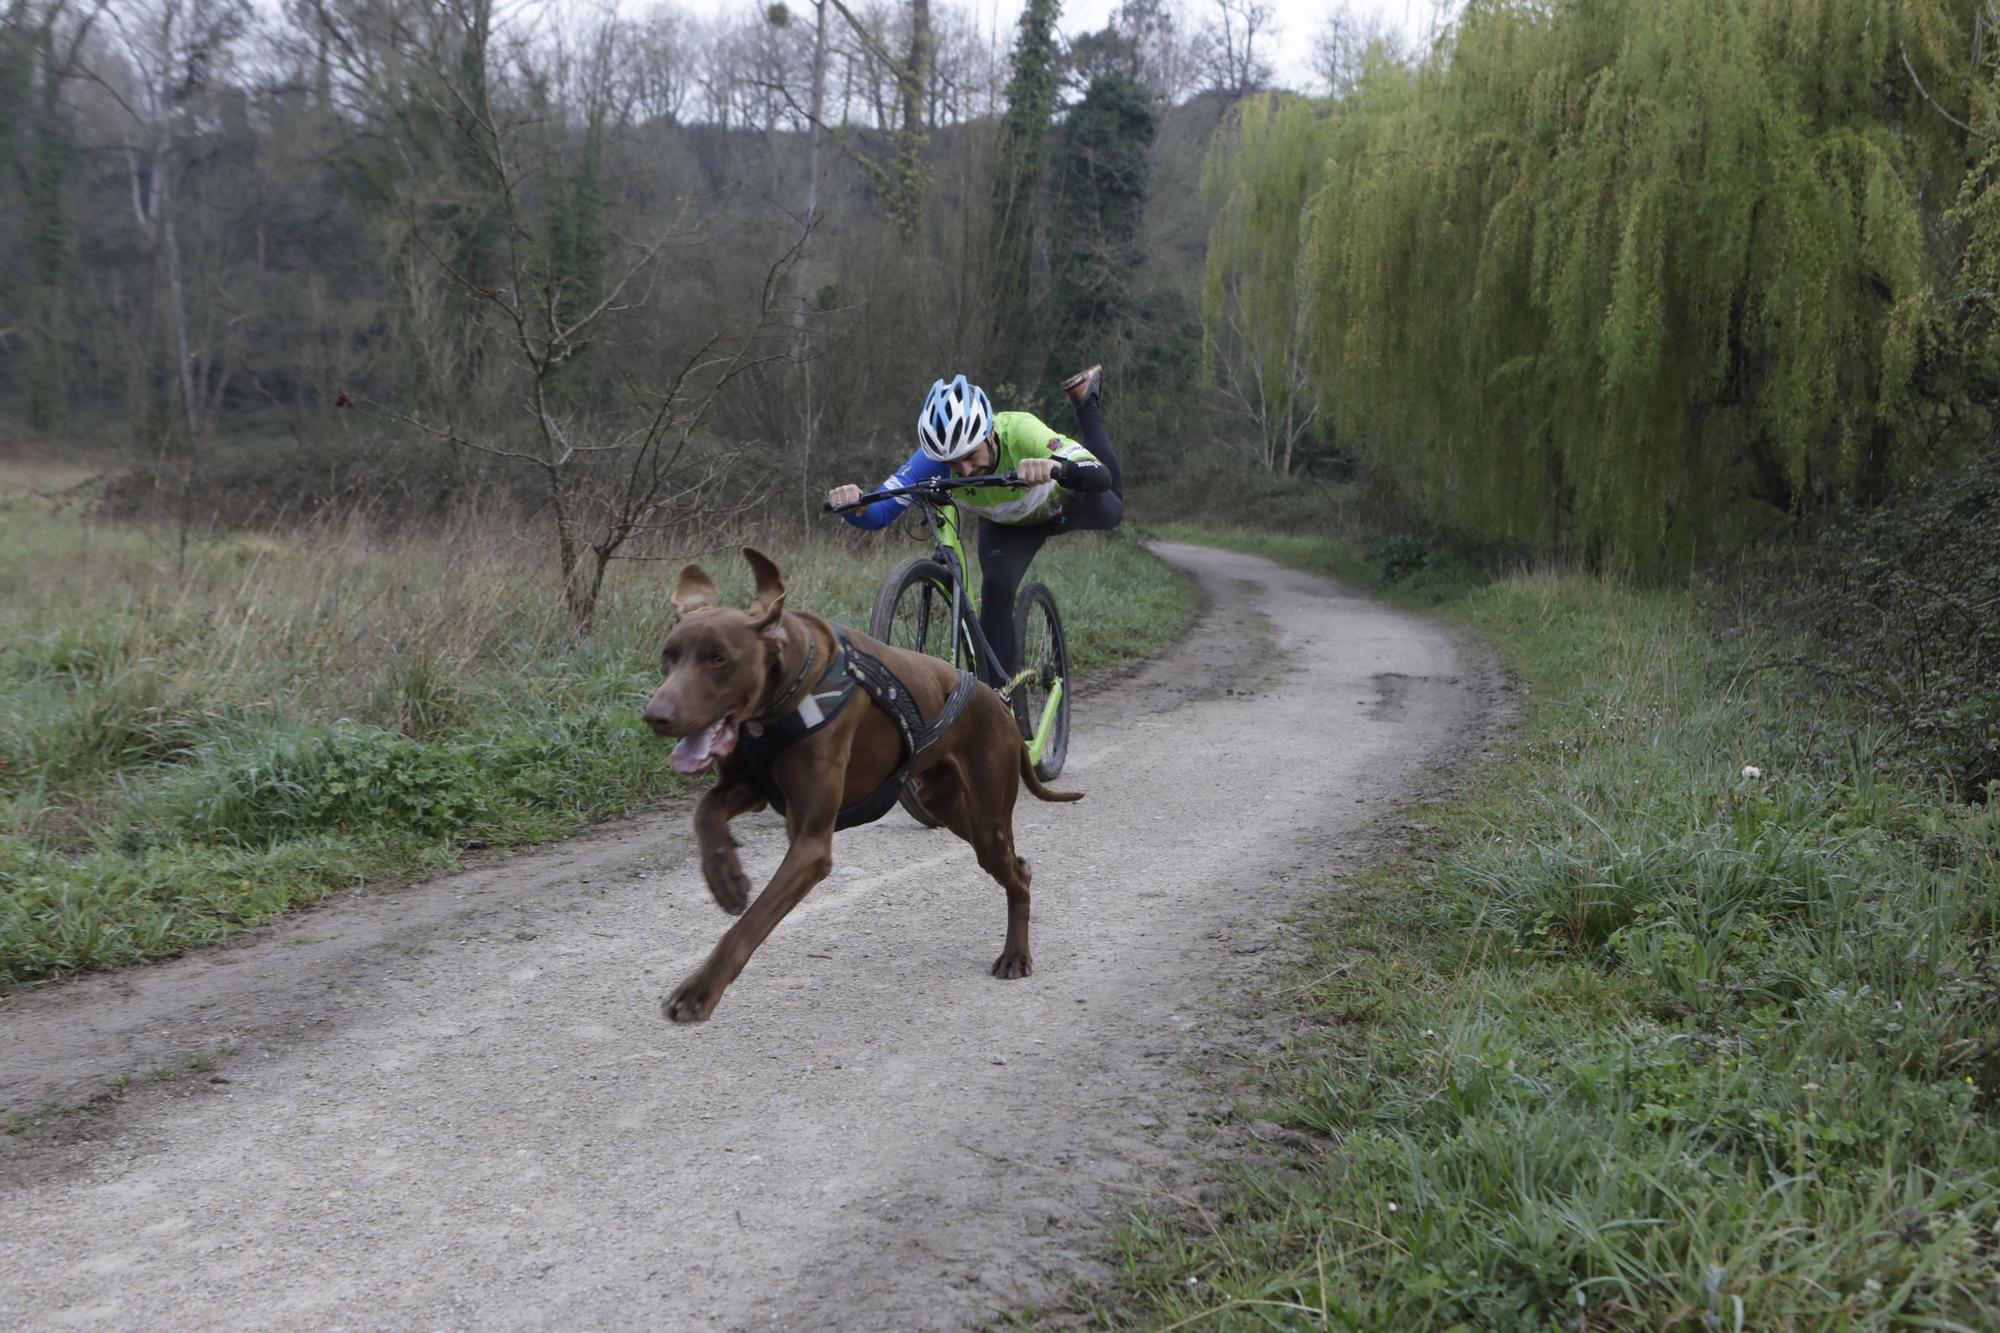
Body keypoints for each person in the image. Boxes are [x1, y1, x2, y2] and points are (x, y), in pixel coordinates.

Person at [826, 367, 1124, 678]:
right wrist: (856, 504)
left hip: (1065, 505)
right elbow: (880, 511)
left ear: (990, 434)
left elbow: (1097, 474)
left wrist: (1056, 465)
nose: (965, 470)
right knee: (996, 588)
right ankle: (998, 702)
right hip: (1009, 527)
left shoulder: (1021, 430)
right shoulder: (936, 458)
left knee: (1114, 508)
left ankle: (1086, 401)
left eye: (971, 455)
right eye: (953, 463)